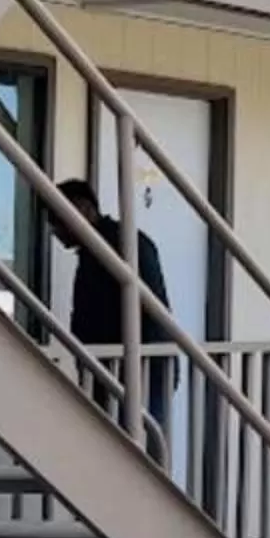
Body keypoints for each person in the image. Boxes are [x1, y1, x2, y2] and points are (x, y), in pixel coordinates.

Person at [55, 178, 175, 448]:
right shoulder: (108, 246)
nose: (55, 231)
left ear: (83, 209)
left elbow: (147, 314)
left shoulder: (119, 246)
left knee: (130, 453)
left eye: (58, 220)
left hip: (132, 373)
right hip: (124, 372)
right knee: (132, 452)